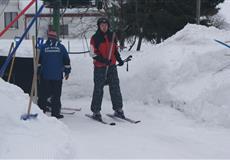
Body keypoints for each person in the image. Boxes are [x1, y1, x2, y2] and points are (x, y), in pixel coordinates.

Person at [89, 17, 125, 120]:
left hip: (112, 67)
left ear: (108, 26)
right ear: (99, 26)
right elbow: (92, 53)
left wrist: (119, 60)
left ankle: (118, 109)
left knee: (115, 87)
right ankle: (96, 111)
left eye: (105, 25)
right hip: (100, 67)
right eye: (102, 25)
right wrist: (103, 60)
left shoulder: (112, 36)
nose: (104, 27)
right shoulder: (95, 38)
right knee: (98, 88)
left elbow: (115, 51)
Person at [37, 30, 71, 119]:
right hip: (57, 76)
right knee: (56, 95)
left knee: (43, 95)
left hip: (45, 76)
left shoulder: (43, 47)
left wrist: (38, 71)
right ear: (56, 37)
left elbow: (39, 61)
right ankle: (55, 113)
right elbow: (66, 61)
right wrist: (67, 72)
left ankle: (41, 112)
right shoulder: (61, 47)